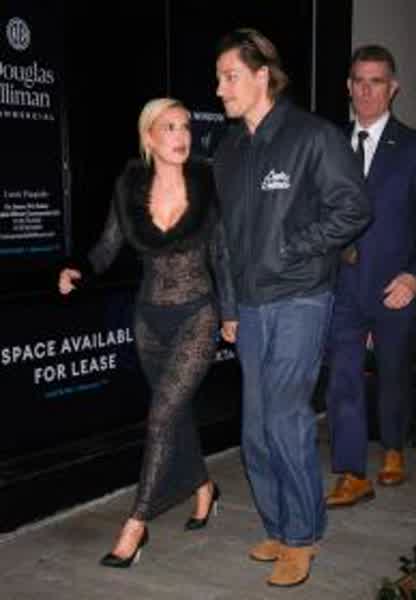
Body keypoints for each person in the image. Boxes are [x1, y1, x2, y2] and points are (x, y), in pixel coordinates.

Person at [213, 28, 371, 587]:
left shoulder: (312, 136)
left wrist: (292, 247)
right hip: (251, 305)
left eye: (230, 76)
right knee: (256, 427)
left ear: (262, 76)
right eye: (218, 78)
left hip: (302, 297)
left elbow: (354, 208)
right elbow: (223, 239)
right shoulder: (228, 152)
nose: (220, 89)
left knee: (285, 417)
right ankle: (279, 526)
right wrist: (229, 306)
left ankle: (303, 537)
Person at [58, 98, 238, 568]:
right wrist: (78, 268)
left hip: (197, 314)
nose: (182, 136)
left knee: (160, 417)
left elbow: (221, 253)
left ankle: (136, 524)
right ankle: (204, 487)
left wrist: (230, 312)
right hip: (149, 320)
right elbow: (107, 247)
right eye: (170, 127)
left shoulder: (206, 183)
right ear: (149, 137)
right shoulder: (129, 188)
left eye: (186, 126)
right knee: (174, 414)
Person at [325, 45, 416, 508]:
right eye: (359, 81)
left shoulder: (412, 147)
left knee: (394, 369)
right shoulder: (330, 144)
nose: (366, 91)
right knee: (343, 375)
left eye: (376, 81)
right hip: (341, 284)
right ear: (348, 86)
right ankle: (351, 472)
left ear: (392, 88)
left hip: (395, 284)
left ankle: (394, 446)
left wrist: (413, 276)